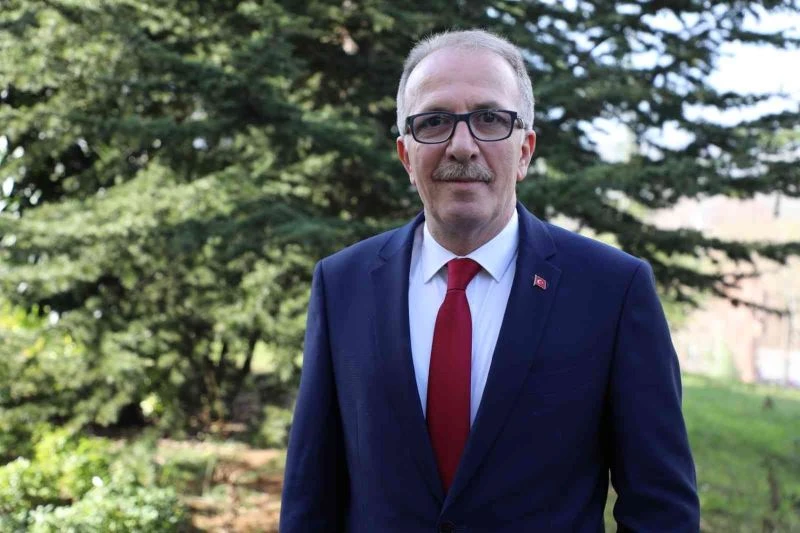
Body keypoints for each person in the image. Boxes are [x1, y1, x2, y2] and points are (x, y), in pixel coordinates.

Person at [279, 29, 699, 532]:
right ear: (406, 155)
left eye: (490, 119)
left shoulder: (613, 291)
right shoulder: (342, 284)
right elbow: (311, 497)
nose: (462, 146)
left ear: (524, 150)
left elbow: (661, 509)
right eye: (434, 121)